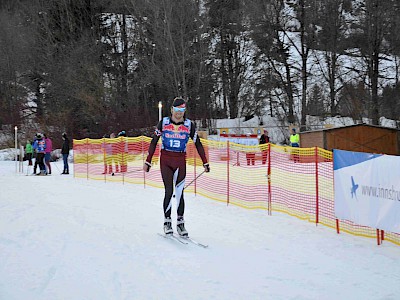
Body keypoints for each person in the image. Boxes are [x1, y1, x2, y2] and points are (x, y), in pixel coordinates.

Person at [143, 97, 210, 237]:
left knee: (179, 193)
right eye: (177, 110)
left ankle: (180, 223)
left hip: (180, 160)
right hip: (166, 160)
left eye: (182, 110)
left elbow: (198, 143)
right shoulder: (164, 123)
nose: (179, 113)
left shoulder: (189, 125)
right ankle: (167, 222)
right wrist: (148, 160)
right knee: (169, 191)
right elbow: (154, 141)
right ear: (172, 110)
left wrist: (205, 161)